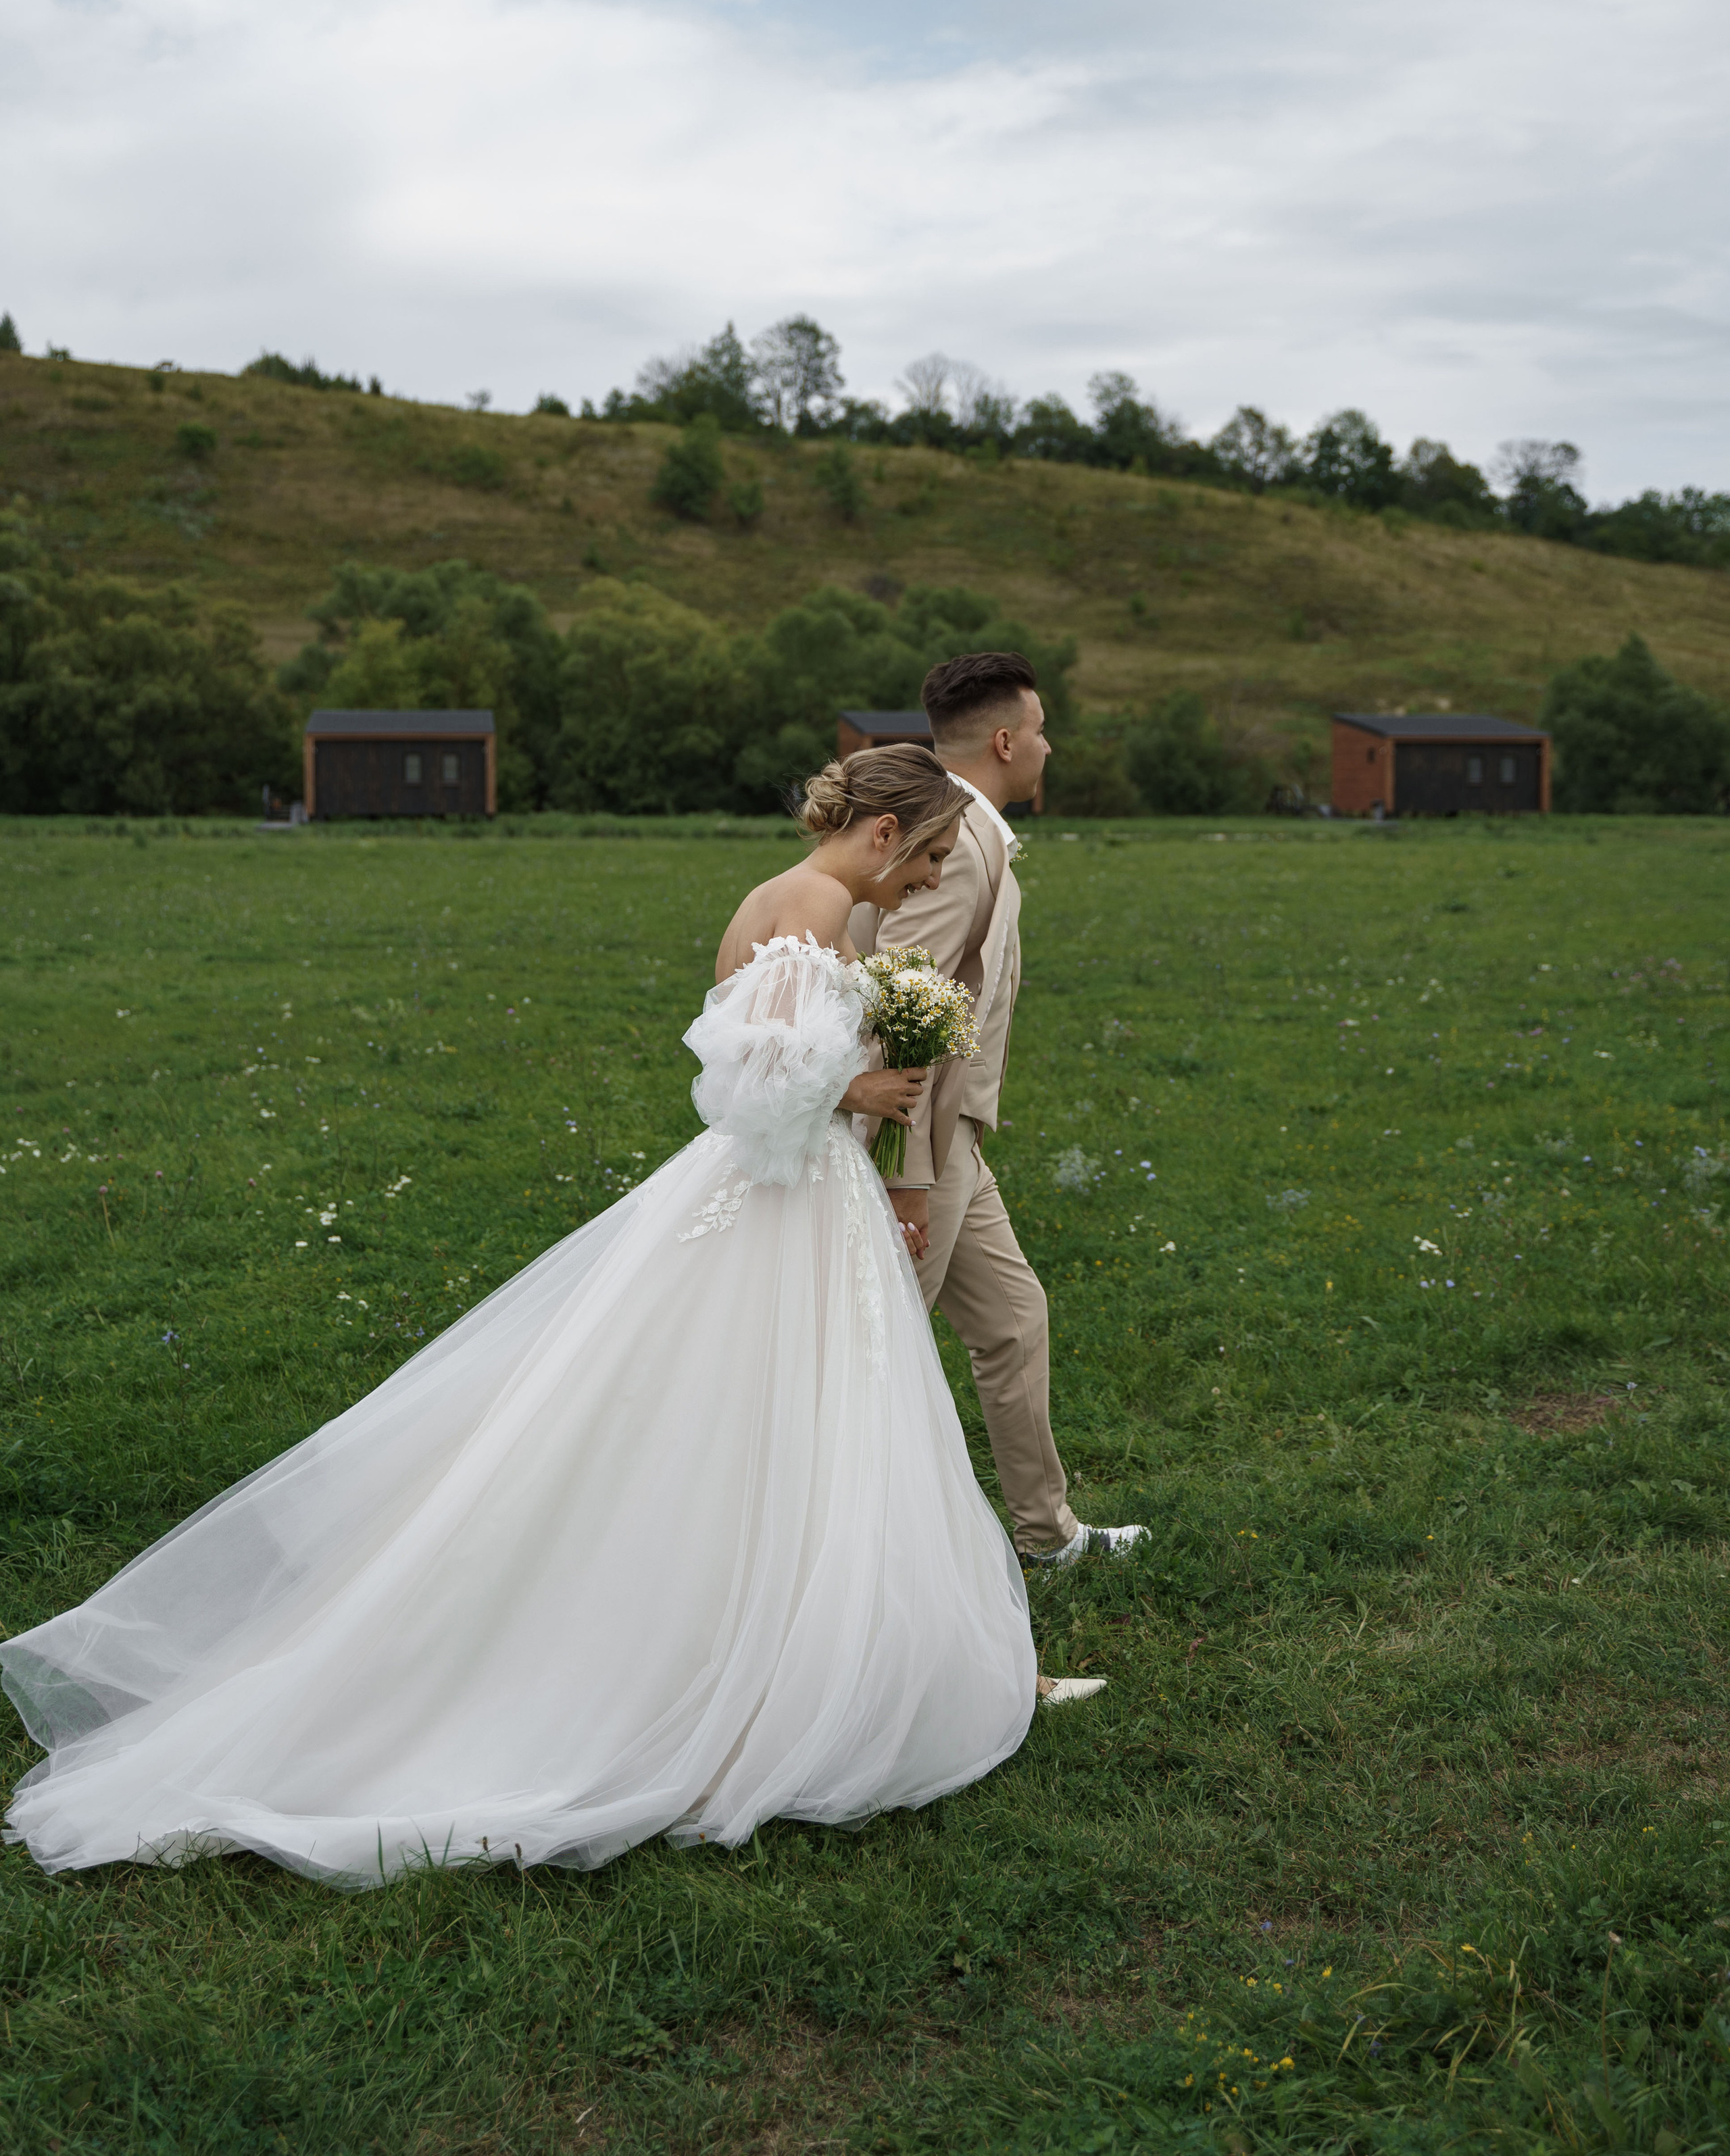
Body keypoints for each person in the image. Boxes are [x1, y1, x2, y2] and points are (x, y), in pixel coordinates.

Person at [1, 746, 1043, 1889]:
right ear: (884, 835)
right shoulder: (809, 904)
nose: (927, 882)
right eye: (931, 856)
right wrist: (860, 1090)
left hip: (802, 1202)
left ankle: (787, 1635)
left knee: (768, 1423)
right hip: (780, 1199)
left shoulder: (809, 903)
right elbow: (745, 1087)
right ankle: (724, 1672)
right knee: (744, 1417)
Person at [849, 653, 1147, 1572]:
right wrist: (907, 1177)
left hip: (954, 1143)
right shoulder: (962, 844)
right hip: (914, 1152)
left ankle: (1046, 1535)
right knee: (873, 1364)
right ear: (1007, 740)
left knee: (1014, 1319)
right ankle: (852, 1569)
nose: (1051, 746)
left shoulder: (964, 832)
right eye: (1045, 728)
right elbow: (904, 1009)